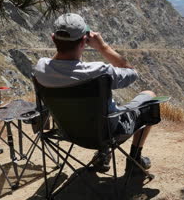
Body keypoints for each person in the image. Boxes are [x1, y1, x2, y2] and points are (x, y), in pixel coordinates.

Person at [33, 13, 157, 174]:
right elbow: (132, 73)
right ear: (84, 41)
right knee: (149, 96)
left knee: (99, 111)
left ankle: (103, 154)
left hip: (69, 132)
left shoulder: (41, 67)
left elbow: (56, 61)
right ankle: (134, 158)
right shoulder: (99, 71)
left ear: (52, 38)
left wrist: (62, 47)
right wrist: (103, 47)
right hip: (106, 132)